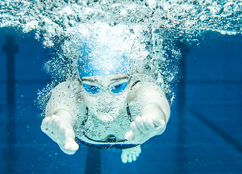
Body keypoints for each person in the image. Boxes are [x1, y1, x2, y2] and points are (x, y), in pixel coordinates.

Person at [41, 41, 170, 163]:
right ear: (79, 85)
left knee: (133, 140)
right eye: (92, 88)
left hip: (132, 138)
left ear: (130, 83)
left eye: (117, 86)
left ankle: (130, 146)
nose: (105, 99)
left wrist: (153, 119)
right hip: (132, 137)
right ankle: (131, 144)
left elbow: (153, 103)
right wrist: (63, 126)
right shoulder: (72, 92)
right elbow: (62, 109)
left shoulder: (140, 88)